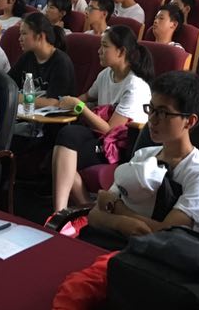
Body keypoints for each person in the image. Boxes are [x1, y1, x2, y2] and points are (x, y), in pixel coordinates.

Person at [88, 70, 199, 237]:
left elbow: (168, 235)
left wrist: (118, 209)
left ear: (190, 121)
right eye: (151, 109)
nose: (152, 119)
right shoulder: (143, 156)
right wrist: (122, 223)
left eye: (163, 112)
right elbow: (95, 214)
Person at [53, 25, 154, 211]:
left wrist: (79, 107)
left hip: (120, 145)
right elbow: (87, 97)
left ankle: (69, 211)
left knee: (64, 155)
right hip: (100, 137)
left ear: (121, 51)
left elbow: (110, 129)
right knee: (67, 135)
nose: (99, 51)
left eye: (105, 46)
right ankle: (78, 209)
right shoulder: (106, 74)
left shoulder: (135, 86)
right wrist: (68, 103)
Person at [9, 13, 75, 107]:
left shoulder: (61, 62)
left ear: (40, 36)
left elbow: (54, 102)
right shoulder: (27, 56)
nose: (20, 39)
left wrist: (19, 98)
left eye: (24, 33)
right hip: (27, 112)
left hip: (52, 116)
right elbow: (8, 83)